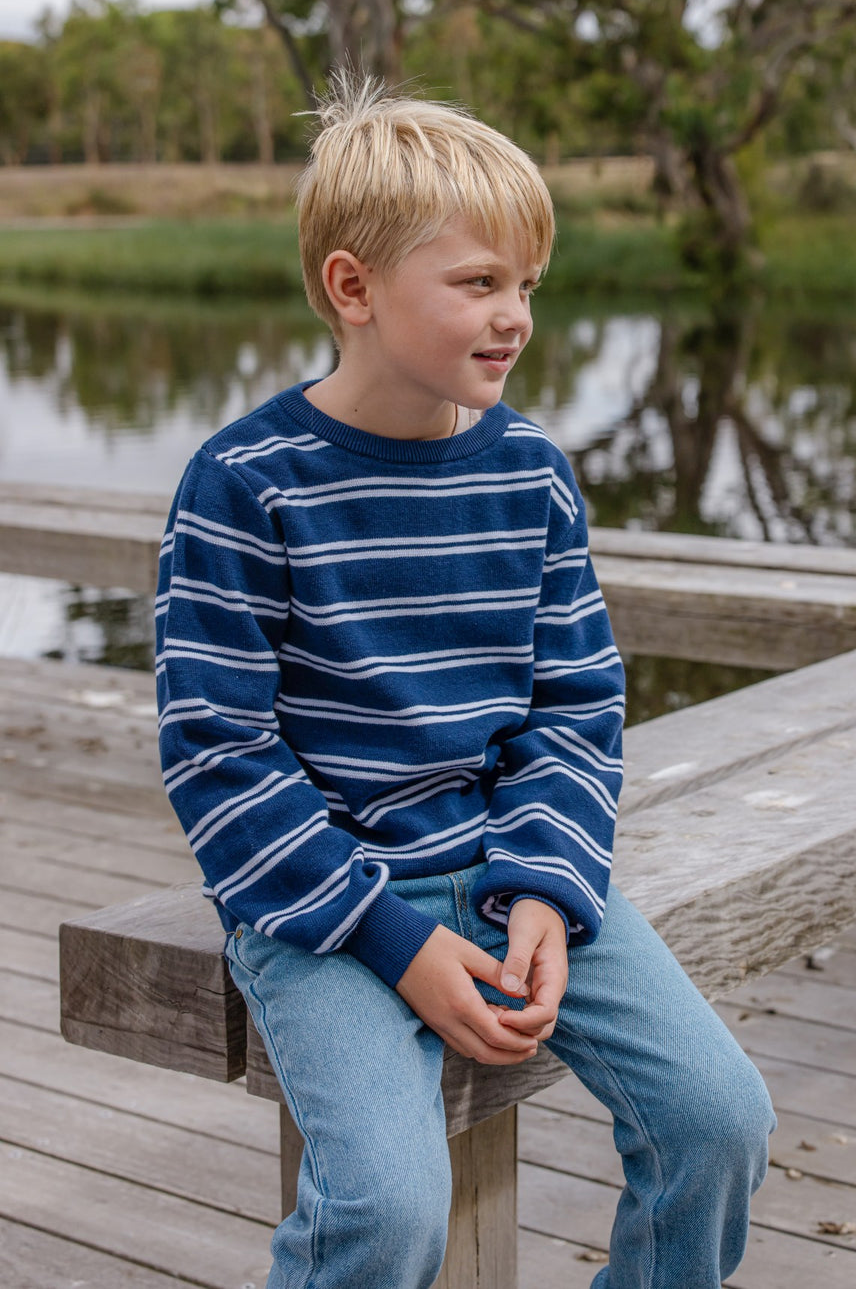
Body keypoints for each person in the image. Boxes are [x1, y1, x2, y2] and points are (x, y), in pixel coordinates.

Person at [155, 75, 774, 1289]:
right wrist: (395, 939)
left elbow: (575, 707)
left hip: (507, 870)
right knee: (387, 1208)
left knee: (718, 1117)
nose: (516, 317)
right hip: (325, 906)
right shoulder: (245, 483)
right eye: (481, 282)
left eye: (527, 285)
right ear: (354, 288)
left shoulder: (534, 472)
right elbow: (218, 752)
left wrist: (544, 891)